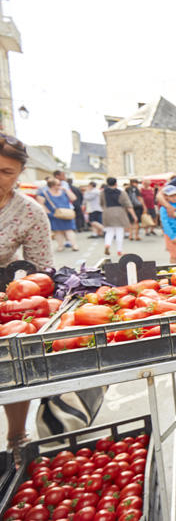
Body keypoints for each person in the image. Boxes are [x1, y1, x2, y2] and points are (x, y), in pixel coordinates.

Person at [0, 133, 53, 464]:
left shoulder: (29, 213)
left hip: (6, 294)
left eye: (6, 172)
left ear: (20, 173)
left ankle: (16, 434)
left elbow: (41, 275)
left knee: (13, 358)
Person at [37, 178, 79, 252]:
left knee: (69, 230)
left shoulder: (63, 191)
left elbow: (73, 198)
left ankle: (74, 245)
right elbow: (41, 204)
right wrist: (49, 213)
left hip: (66, 213)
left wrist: (66, 190)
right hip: (54, 214)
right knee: (58, 231)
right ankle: (60, 245)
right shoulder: (43, 193)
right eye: (58, 184)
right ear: (52, 185)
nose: (61, 185)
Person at [101, 177, 137, 256]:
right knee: (119, 232)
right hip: (119, 212)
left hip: (107, 212)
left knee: (109, 231)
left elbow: (101, 203)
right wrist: (134, 215)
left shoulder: (103, 192)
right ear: (116, 183)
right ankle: (119, 250)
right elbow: (128, 205)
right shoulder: (121, 192)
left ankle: (107, 244)